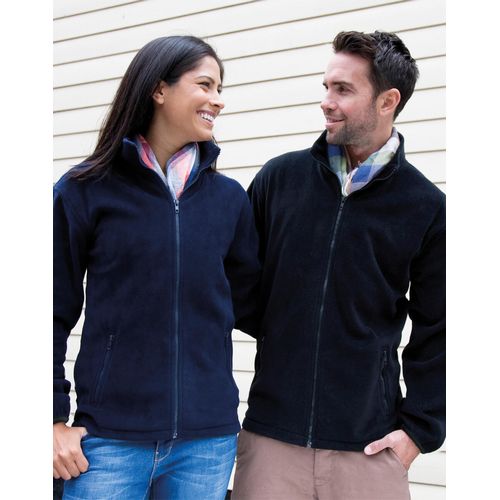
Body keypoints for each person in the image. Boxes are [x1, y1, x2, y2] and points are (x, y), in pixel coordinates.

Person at [232, 31, 445, 500]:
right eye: (327, 87)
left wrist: (419, 431)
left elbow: (443, 328)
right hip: (271, 441)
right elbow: (235, 286)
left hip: (369, 448)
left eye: (343, 90)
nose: (326, 101)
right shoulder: (279, 179)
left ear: (388, 101)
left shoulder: (426, 206)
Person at [53, 35, 260, 500]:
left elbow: (259, 309)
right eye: (205, 84)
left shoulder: (229, 200)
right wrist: (49, 419)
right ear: (158, 89)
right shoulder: (85, 190)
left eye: (220, 88)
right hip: (107, 440)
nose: (218, 100)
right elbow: (46, 309)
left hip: (206, 443)